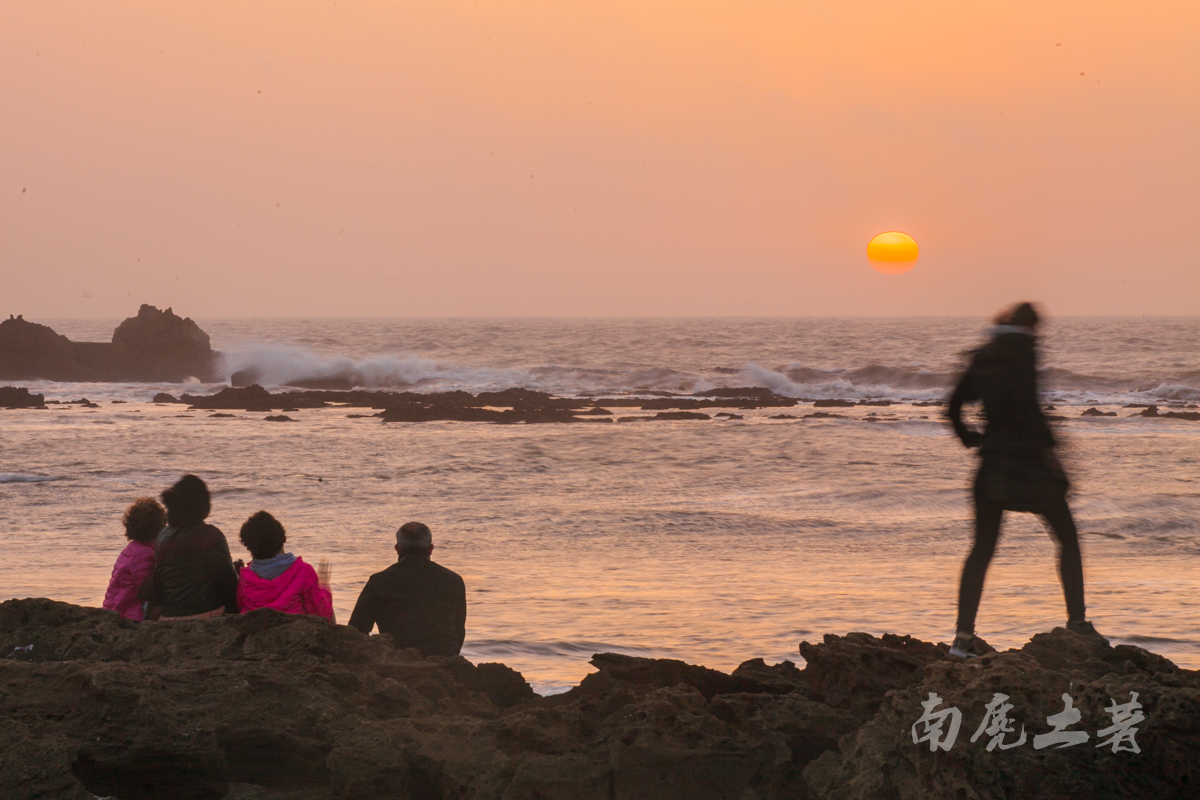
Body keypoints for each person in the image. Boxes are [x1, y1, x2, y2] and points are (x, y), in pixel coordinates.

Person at [946, 302, 1106, 658]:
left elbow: (953, 406)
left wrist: (970, 438)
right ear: (1032, 327)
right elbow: (1028, 409)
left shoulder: (984, 355)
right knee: (1067, 538)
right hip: (1028, 467)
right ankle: (1077, 623)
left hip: (991, 466)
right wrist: (1053, 457)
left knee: (981, 549)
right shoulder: (1023, 353)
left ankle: (962, 638)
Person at [348, 522, 466, 656]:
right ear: (430, 549)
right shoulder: (453, 580)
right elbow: (459, 630)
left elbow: (356, 630)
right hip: (444, 659)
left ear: (397, 549)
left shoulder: (379, 581)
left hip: (396, 658)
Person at [142, 474, 238, 619]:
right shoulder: (211, 536)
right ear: (202, 508)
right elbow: (229, 583)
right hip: (205, 614)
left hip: (168, 615)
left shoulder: (163, 535)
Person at [236, 511, 335, 621]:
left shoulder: (245, 577)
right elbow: (322, 613)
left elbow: (240, 605)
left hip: (256, 629)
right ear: (284, 538)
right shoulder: (303, 571)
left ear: (248, 546)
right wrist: (324, 587)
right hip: (294, 628)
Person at [102, 498, 166, 620]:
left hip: (114, 608)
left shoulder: (131, 549)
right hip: (129, 613)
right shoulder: (144, 555)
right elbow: (147, 592)